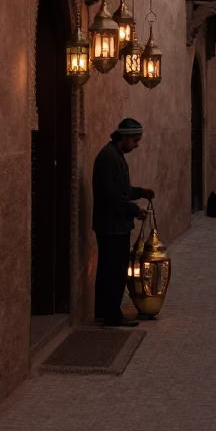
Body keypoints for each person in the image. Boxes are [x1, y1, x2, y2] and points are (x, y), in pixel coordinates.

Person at [92, 118, 155, 327]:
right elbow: (113, 197)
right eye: (135, 140)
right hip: (112, 226)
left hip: (112, 224)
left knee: (108, 268)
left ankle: (103, 310)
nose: (136, 145)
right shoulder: (109, 158)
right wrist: (135, 210)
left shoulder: (114, 155)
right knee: (115, 271)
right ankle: (112, 315)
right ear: (125, 137)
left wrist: (140, 192)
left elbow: (123, 190)